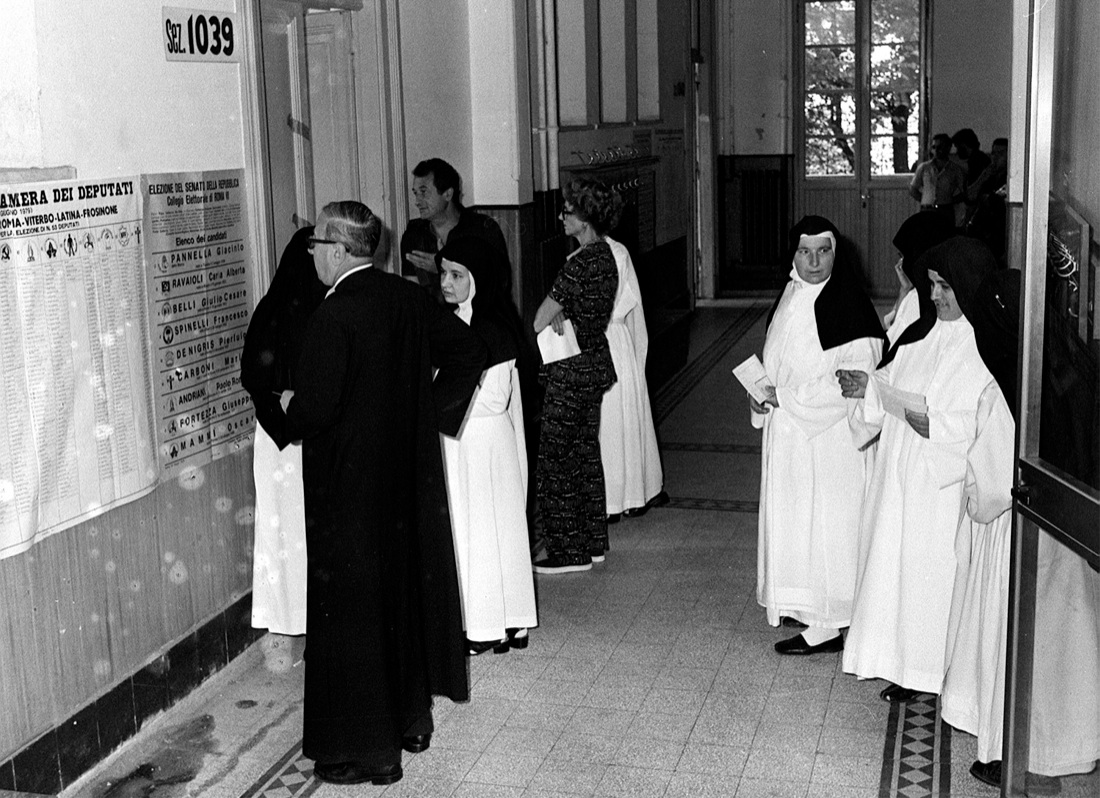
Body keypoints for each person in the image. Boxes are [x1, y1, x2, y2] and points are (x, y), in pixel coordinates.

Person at [260, 200, 487, 786]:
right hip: (404, 483)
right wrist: (428, 416)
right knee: (400, 598)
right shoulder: (407, 297)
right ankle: (413, 722)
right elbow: (469, 351)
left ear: (338, 250)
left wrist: (287, 408)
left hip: (348, 493)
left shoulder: (332, 317)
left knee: (354, 617)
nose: (311, 254)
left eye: (316, 245)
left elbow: (314, 409)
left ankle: (371, 753)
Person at [937, 264, 1099, 791]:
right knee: (1065, 654)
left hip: (1018, 534)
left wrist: (965, 495)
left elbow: (986, 493)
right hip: (1070, 535)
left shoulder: (1007, 391)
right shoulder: (1072, 366)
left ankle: (1012, 751)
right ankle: (1071, 748)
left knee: (1018, 650)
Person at [838, 238, 1007, 702]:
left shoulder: (989, 346)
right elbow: (892, 380)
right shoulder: (922, 333)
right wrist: (869, 388)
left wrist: (938, 424)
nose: (934, 297)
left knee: (932, 581)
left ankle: (935, 673)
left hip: (942, 490)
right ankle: (904, 667)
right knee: (897, 575)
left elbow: (990, 423)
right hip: (900, 482)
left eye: (945, 287)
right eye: (932, 285)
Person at [750, 215, 884, 655]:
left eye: (822, 251)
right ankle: (805, 604)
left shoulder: (849, 303)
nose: (813, 262)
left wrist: (787, 398)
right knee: (796, 523)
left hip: (827, 441)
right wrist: (761, 396)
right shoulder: (790, 293)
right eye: (804, 252)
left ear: (835, 253)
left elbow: (851, 380)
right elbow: (777, 359)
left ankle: (828, 621)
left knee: (827, 528)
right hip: (788, 433)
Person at [436, 237, 538, 654]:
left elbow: (494, 397)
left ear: (480, 280)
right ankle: (503, 620)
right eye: (443, 273)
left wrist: (438, 397)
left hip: (480, 439)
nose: (446, 282)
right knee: (491, 531)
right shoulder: (461, 320)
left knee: (484, 532)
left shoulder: (491, 327)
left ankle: (488, 626)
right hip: (474, 439)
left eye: (457, 275)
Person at [240, 226, 327, 642]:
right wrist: (289, 421)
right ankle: (299, 617)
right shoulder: (290, 310)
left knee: (297, 530)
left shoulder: (316, 307)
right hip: (292, 441)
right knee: (292, 529)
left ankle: (303, 617)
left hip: (294, 437)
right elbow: (258, 378)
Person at [531, 178, 620, 573]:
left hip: (568, 370)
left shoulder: (579, 262)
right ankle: (593, 542)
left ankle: (568, 553)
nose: (562, 217)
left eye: (568, 211)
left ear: (584, 220)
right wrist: (562, 310)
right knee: (584, 453)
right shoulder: (606, 257)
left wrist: (556, 310)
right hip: (594, 365)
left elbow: (538, 319)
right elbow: (573, 309)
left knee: (556, 459)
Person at [600, 235, 666, 522]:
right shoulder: (576, 256)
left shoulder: (617, 252)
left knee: (618, 417)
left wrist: (637, 359)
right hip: (594, 341)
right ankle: (606, 498)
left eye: (568, 211)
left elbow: (630, 308)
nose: (562, 218)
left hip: (612, 340)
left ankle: (626, 495)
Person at [400, 157, 511, 302]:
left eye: (424, 192)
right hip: (432, 321)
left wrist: (445, 269)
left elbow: (500, 284)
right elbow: (412, 297)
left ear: (447, 194)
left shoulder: (482, 229)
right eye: (416, 193)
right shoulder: (413, 235)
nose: (417, 201)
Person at [881, 212, 955, 348]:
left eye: (905, 256)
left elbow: (891, 341)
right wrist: (904, 290)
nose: (900, 263)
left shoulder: (921, 298)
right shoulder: (914, 293)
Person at [908, 133, 966, 225]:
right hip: (927, 209)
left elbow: (963, 191)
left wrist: (948, 200)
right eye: (934, 147)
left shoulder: (955, 169)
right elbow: (913, 188)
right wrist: (925, 199)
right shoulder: (924, 168)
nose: (937, 150)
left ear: (948, 148)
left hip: (945, 210)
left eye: (940, 147)